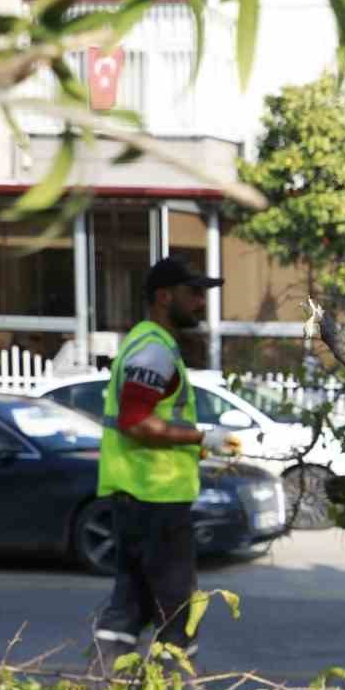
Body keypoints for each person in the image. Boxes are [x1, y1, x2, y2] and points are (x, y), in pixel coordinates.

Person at [93, 256, 240, 656]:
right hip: (155, 499)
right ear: (163, 296)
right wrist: (200, 438)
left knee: (129, 604)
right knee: (177, 611)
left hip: (136, 496)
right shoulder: (154, 351)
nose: (200, 302)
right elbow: (135, 421)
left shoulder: (145, 344)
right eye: (193, 293)